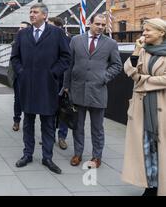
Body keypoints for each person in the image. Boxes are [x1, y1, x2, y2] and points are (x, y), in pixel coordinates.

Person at [10, 2, 71, 174]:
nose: (31, 14)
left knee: (48, 123)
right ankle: (27, 154)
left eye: (35, 12)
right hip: (27, 85)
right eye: (30, 12)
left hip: (47, 85)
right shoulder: (23, 34)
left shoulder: (57, 33)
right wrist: (21, 72)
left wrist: (53, 73)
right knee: (28, 122)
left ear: (45, 15)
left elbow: (66, 57)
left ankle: (47, 157)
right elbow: (15, 58)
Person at [64, 14, 122, 169]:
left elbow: (117, 65)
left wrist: (104, 77)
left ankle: (97, 157)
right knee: (78, 126)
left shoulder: (111, 43)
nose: (101, 27)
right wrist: (66, 86)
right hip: (77, 90)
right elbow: (69, 65)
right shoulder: (76, 40)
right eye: (98, 24)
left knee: (97, 128)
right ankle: (78, 154)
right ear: (90, 24)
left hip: (98, 91)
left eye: (103, 25)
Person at [122, 18, 166, 196]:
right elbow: (129, 70)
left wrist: (142, 80)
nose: (144, 33)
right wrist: (136, 50)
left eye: (148, 30)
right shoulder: (143, 50)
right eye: (144, 30)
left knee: (161, 148)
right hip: (142, 109)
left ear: (161, 33)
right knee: (146, 147)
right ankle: (150, 186)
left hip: (161, 107)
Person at [48, 16, 70, 150]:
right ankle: (49, 136)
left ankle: (62, 137)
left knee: (63, 111)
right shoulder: (46, 40)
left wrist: (67, 85)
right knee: (49, 111)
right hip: (49, 82)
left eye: (50, 25)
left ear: (58, 27)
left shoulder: (69, 41)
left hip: (63, 83)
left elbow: (69, 62)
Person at [12, 21, 31, 132]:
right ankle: (16, 121)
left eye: (22, 27)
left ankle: (28, 122)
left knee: (28, 99)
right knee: (18, 99)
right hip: (19, 76)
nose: (20, 29)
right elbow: (14, 59)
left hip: (31, 77)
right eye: (19, 27)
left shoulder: (33, 41)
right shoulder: (16, 41)